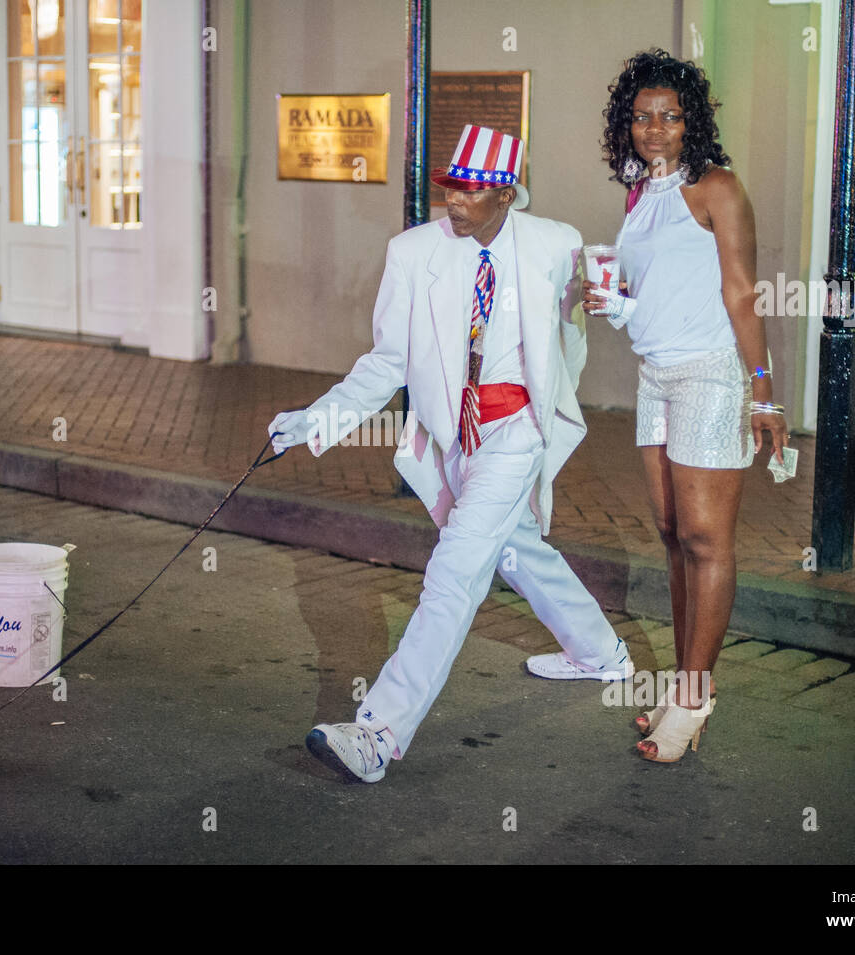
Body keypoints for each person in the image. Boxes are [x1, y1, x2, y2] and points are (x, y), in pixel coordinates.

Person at [269, 125, 630, 783]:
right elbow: (387, 361)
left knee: (454, 570)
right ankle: (602, 651)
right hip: (451, 437)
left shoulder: (557, 244)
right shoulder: (413, 254)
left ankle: (378, 733)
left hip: (516, 431)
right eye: (450, 188)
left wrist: (557, 390)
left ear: (506, 194)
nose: (454, 202)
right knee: (517, 550)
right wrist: (315, 421)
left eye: (470, 191)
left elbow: (581, 327)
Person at [585, 50, 789, 762]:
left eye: (669, 116)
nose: (654, 128)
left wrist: (765, 395)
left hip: (710, 375)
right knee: (672, 533)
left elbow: (740, 294)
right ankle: (681, 686)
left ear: (690, 121)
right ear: (627, 126)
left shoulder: (717, 188)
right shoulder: (641, 197)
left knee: (707, 539)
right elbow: (650, 296)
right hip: (656, 376)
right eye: (641, 117)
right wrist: (611, 303)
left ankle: (697, 693)